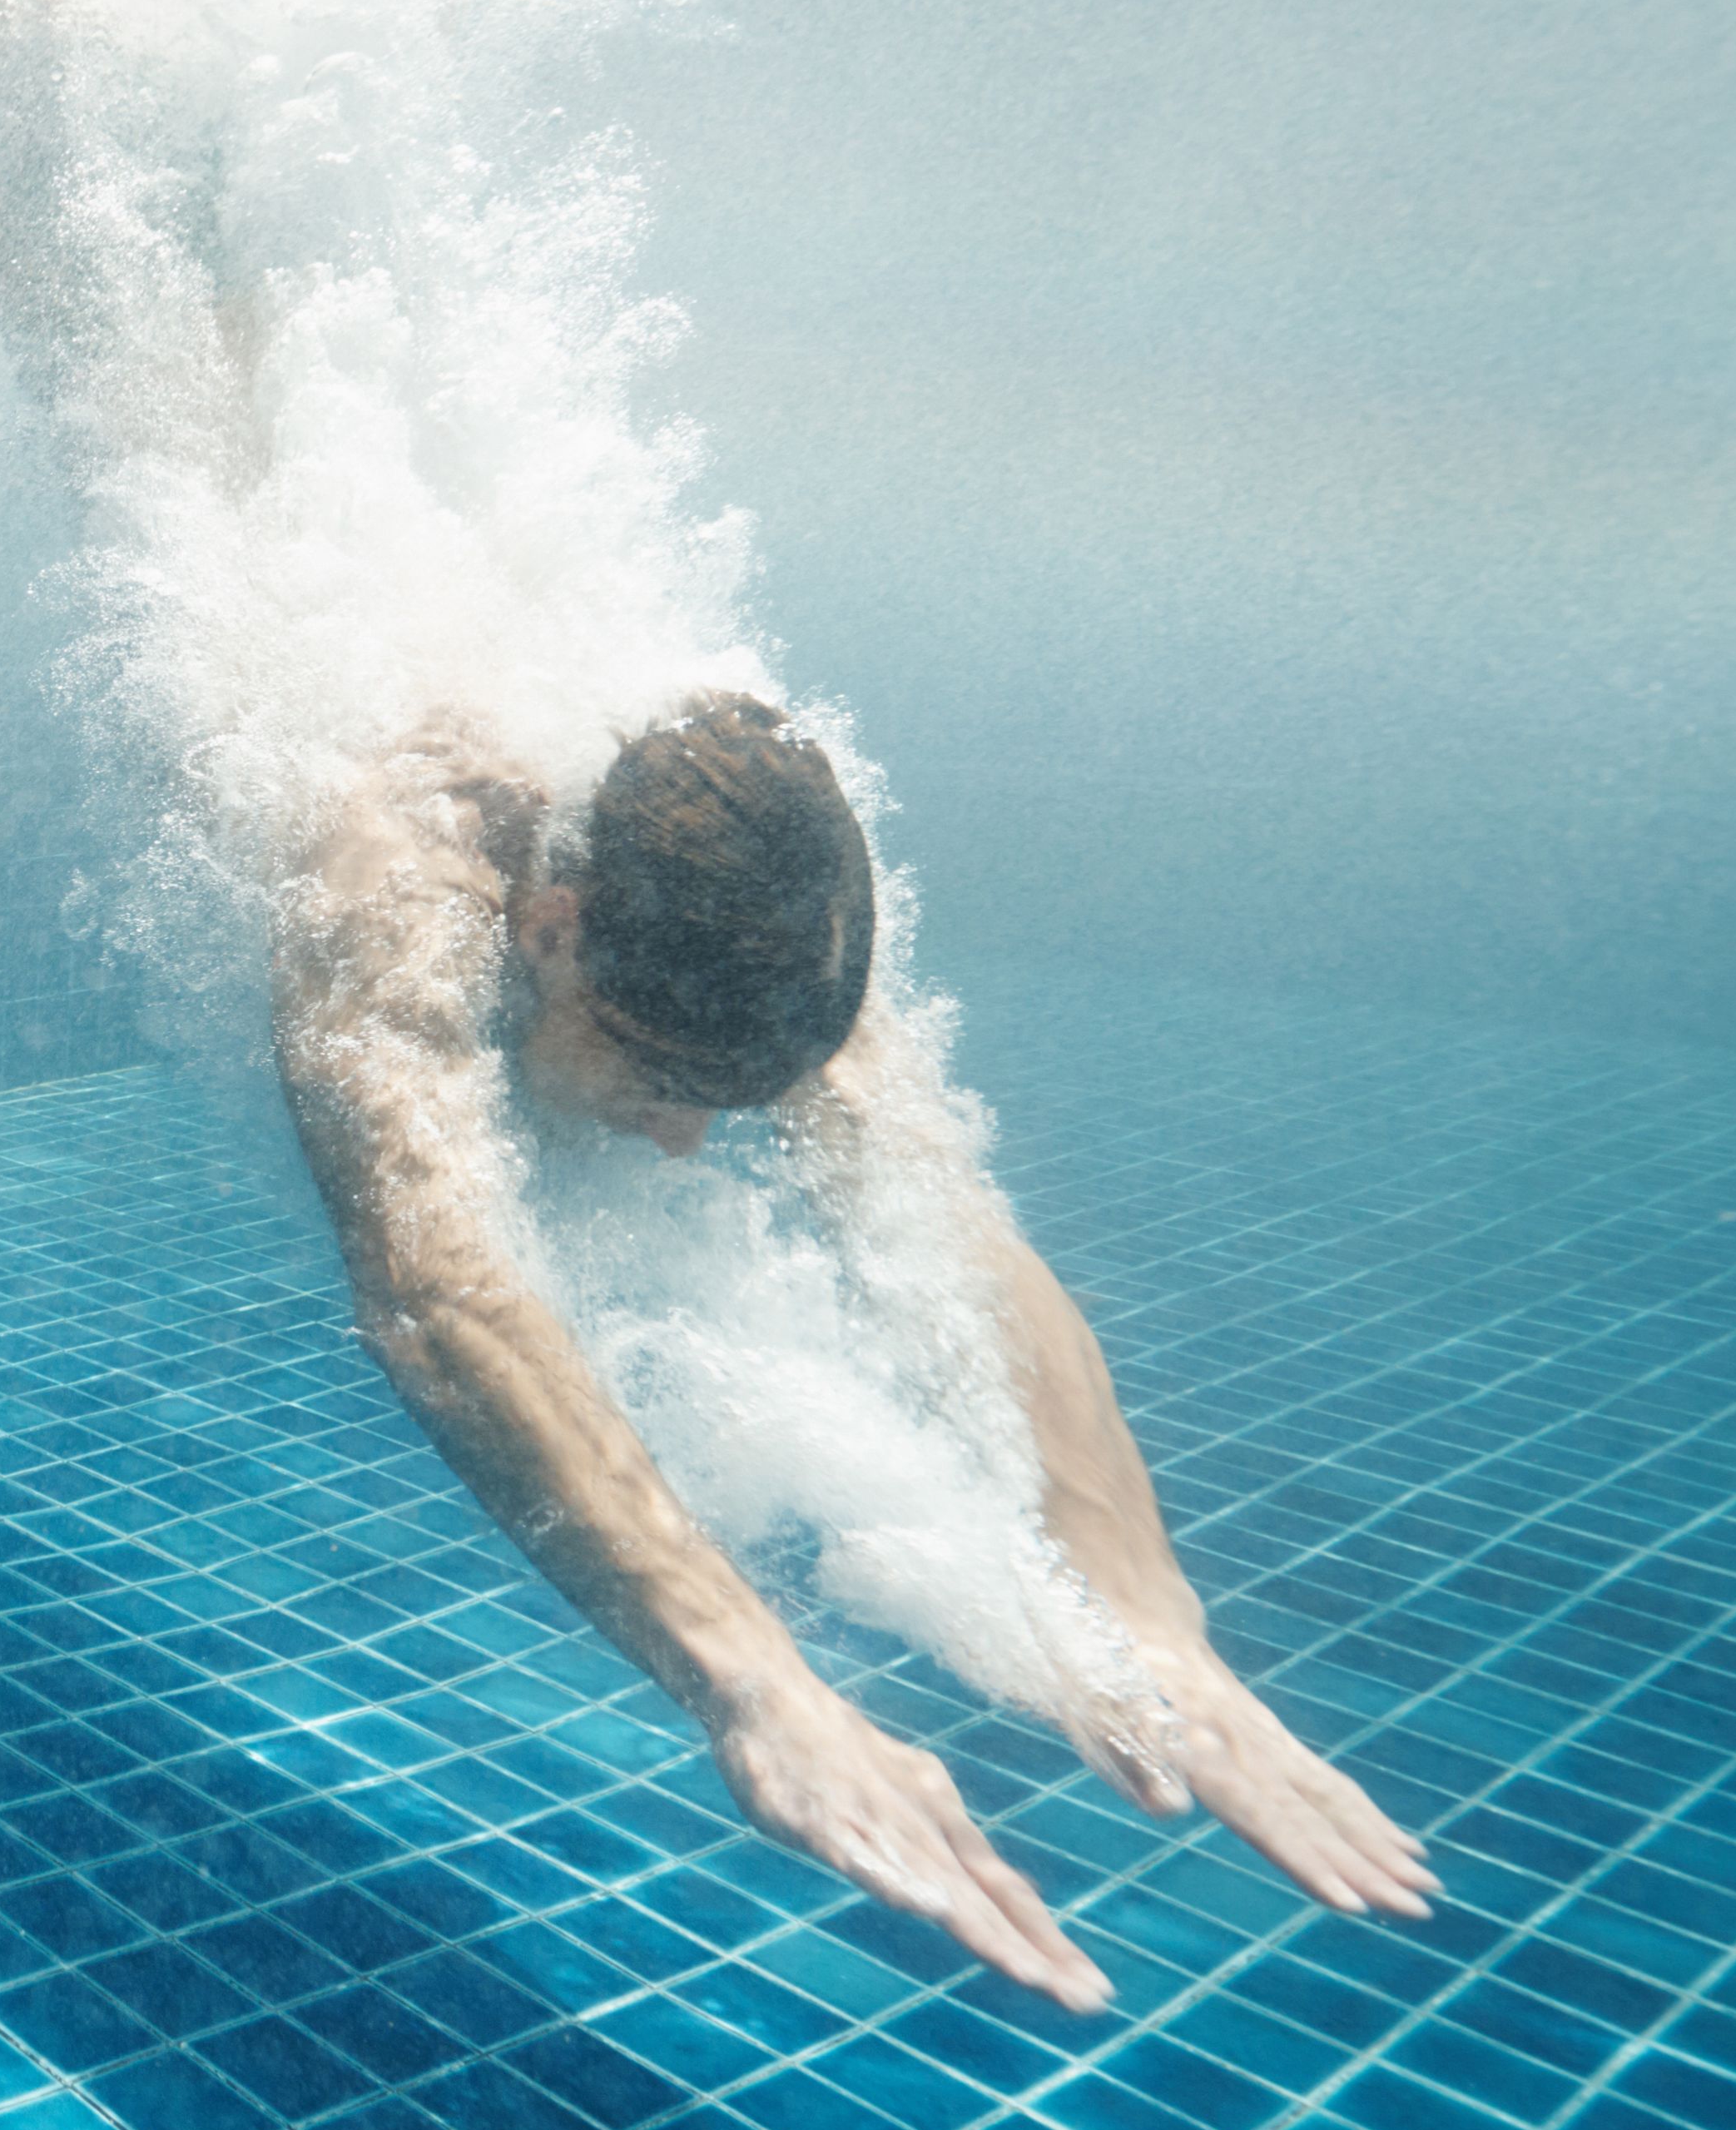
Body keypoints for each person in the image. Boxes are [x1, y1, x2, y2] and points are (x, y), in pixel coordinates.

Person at [271, 692, 1437, 2012]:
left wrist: (1152, 1623)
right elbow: (438, 1292)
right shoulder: (395, 878)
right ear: (550, 931)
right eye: (665, 1088)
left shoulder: (759, 899)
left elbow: (943, 1237)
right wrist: (754, 1680)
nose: (678, 1145)